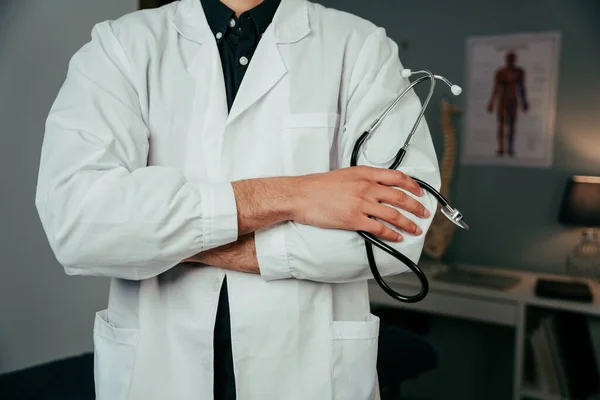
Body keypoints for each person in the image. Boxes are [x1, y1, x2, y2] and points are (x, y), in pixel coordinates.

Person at [34, 0, 441, 399]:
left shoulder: (358, 46)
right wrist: (299, 193)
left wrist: (168, 239)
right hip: (159, 370)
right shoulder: (120, 46)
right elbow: (78, 223)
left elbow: (397, 236)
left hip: (308, 374)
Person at [487, 50, 529, 157]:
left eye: (512, 58)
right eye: (509, 58)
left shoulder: (519, 72)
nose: (510, 60)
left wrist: (524, 102)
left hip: (513, 100)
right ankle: (501, 147)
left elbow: (522, 88)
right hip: (503, 99)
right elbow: (496, 88)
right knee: (501, 124)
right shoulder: (501, 72)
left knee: (512, 124)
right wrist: (492, 102)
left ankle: (510, 148)